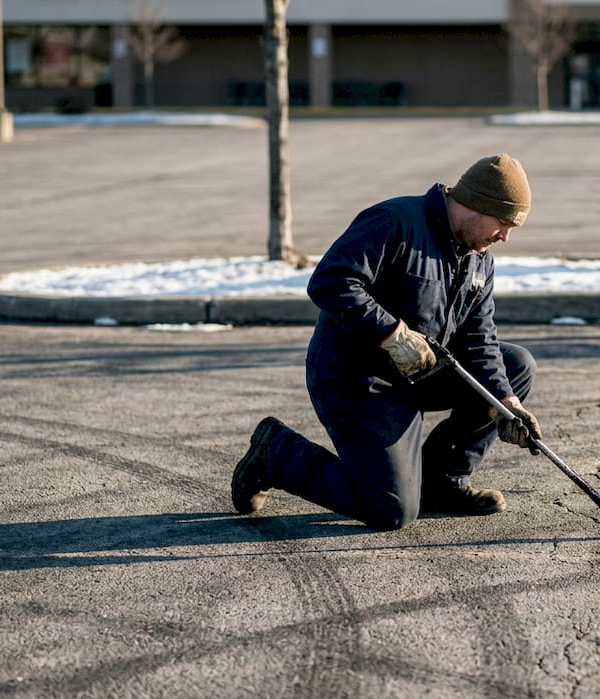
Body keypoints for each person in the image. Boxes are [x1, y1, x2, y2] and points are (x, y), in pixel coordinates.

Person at [231, 154, 543, 531]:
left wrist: (504, 402)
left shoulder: (478, 259)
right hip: (359, 381)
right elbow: (330, 281)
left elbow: (479, 339)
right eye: (504, 224)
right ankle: (277, 454)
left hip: (419, 374)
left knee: (516, 366)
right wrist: (391, 334)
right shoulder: (395, 222)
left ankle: (443, 482)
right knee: (390, 509)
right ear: (477, 204)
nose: (505, 237)